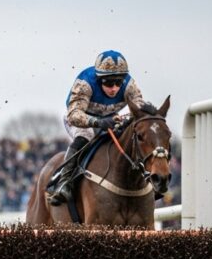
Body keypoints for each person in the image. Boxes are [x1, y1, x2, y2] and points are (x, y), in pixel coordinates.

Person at [46, 50, 151, 205]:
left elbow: (139, 109)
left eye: (118, 82)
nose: (114, 88)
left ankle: (148, 177)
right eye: (109, 83)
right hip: (79, 118)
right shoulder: (85, 84)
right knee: (86, 136)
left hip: (110, 116)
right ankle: (64, 182)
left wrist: (131, 118)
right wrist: (98, 122)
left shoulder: (130, 85)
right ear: (99, 79)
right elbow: (74, 115)